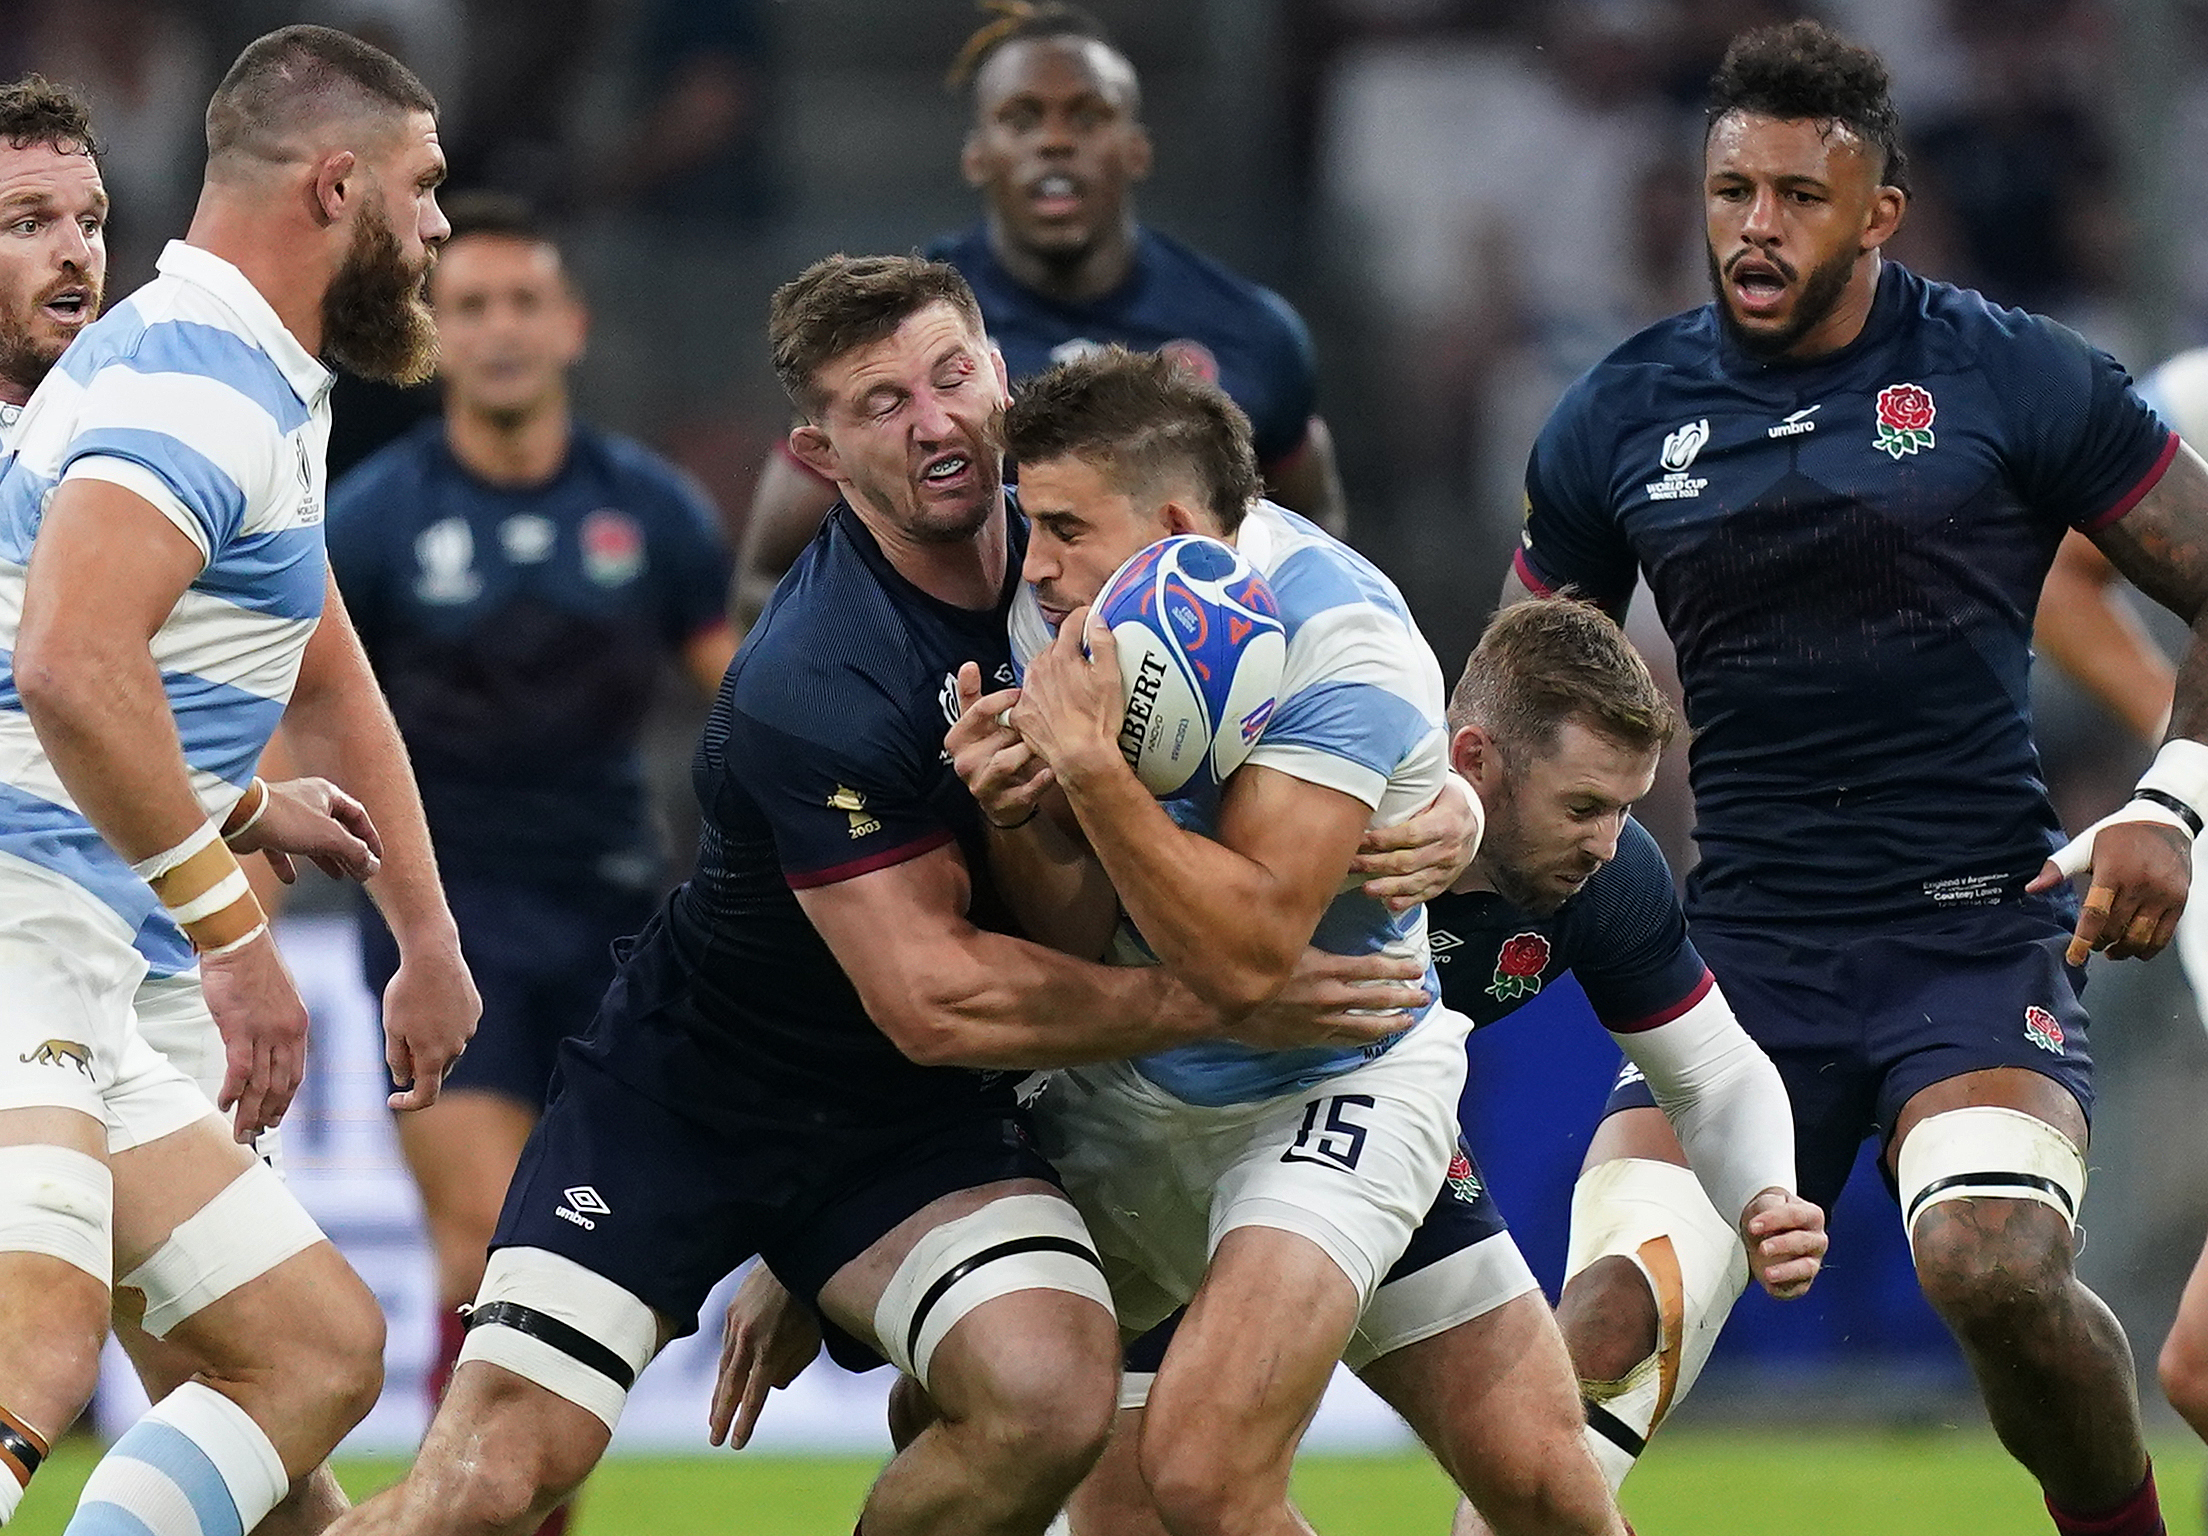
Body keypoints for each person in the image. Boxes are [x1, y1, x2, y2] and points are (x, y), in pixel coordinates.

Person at [327, 255, 1409, 1536]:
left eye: (953, 376)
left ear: (1002, 375)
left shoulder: (1094, 563)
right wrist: (1223, 999)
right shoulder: (817, 677)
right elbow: (934, 998)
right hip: (699, 1098)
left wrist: (1428, 798)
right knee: (498, 1481)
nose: (937, 421)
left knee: (1047, 1395)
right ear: (820, 451)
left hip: (910, 1135)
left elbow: (1298, 628)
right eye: (883, 403)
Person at [711, 373, 1825, 1536]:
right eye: (1033, 519)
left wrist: (1087, 772)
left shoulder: (1345, 645)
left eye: (1064, 527)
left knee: (1498, 1486)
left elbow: (1244, 961)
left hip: (1329, 1094)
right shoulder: (1056, 602)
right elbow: (1045, 947)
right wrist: (1026, 815)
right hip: (1117, 1106)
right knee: (980, 1429)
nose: (1030, 560)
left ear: (1176, 530)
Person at [1501, 21, 2208, 1536]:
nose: (1757, 228)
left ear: (1879, 209)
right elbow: (1516, 689)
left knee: (1994, 1267)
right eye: (1731, 191)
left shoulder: (2014, 374)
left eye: (1800, 199)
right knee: (1597, 1335)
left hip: (1971, 935)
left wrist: (2173, 798)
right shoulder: (1618, 416)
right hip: (1737, 962)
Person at [0, 25, 477, 1536]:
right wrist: (238, 931)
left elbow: (320, 680)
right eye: (426, 186)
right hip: (28, 935)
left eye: (80, 216)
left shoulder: (241, 381)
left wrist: (418, 927)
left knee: (314, 1355)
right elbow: (70, 670)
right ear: (338, 186)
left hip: (88, 949)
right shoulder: (192, 380)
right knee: (38, 1344)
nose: (442, 224)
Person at [326, 191, 735, 1448]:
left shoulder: (655, 513)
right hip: (442, 924)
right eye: (470, 306)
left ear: (570, 325)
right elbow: (309, 711)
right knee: (487, 1251)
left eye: (521, 303)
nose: (499, 329)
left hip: (621, 919)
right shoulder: (376, 517)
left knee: (572, 1287)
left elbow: (752, 713)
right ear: (433, 333)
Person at [732, 0, 1348, 629]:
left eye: (1088, 116)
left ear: (1136, 149)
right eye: (1022, 119)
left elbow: (1322, 546)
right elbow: (764, 579)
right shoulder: (893, 345)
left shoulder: (1254, 334)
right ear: (976, 155)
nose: (1055, 141)